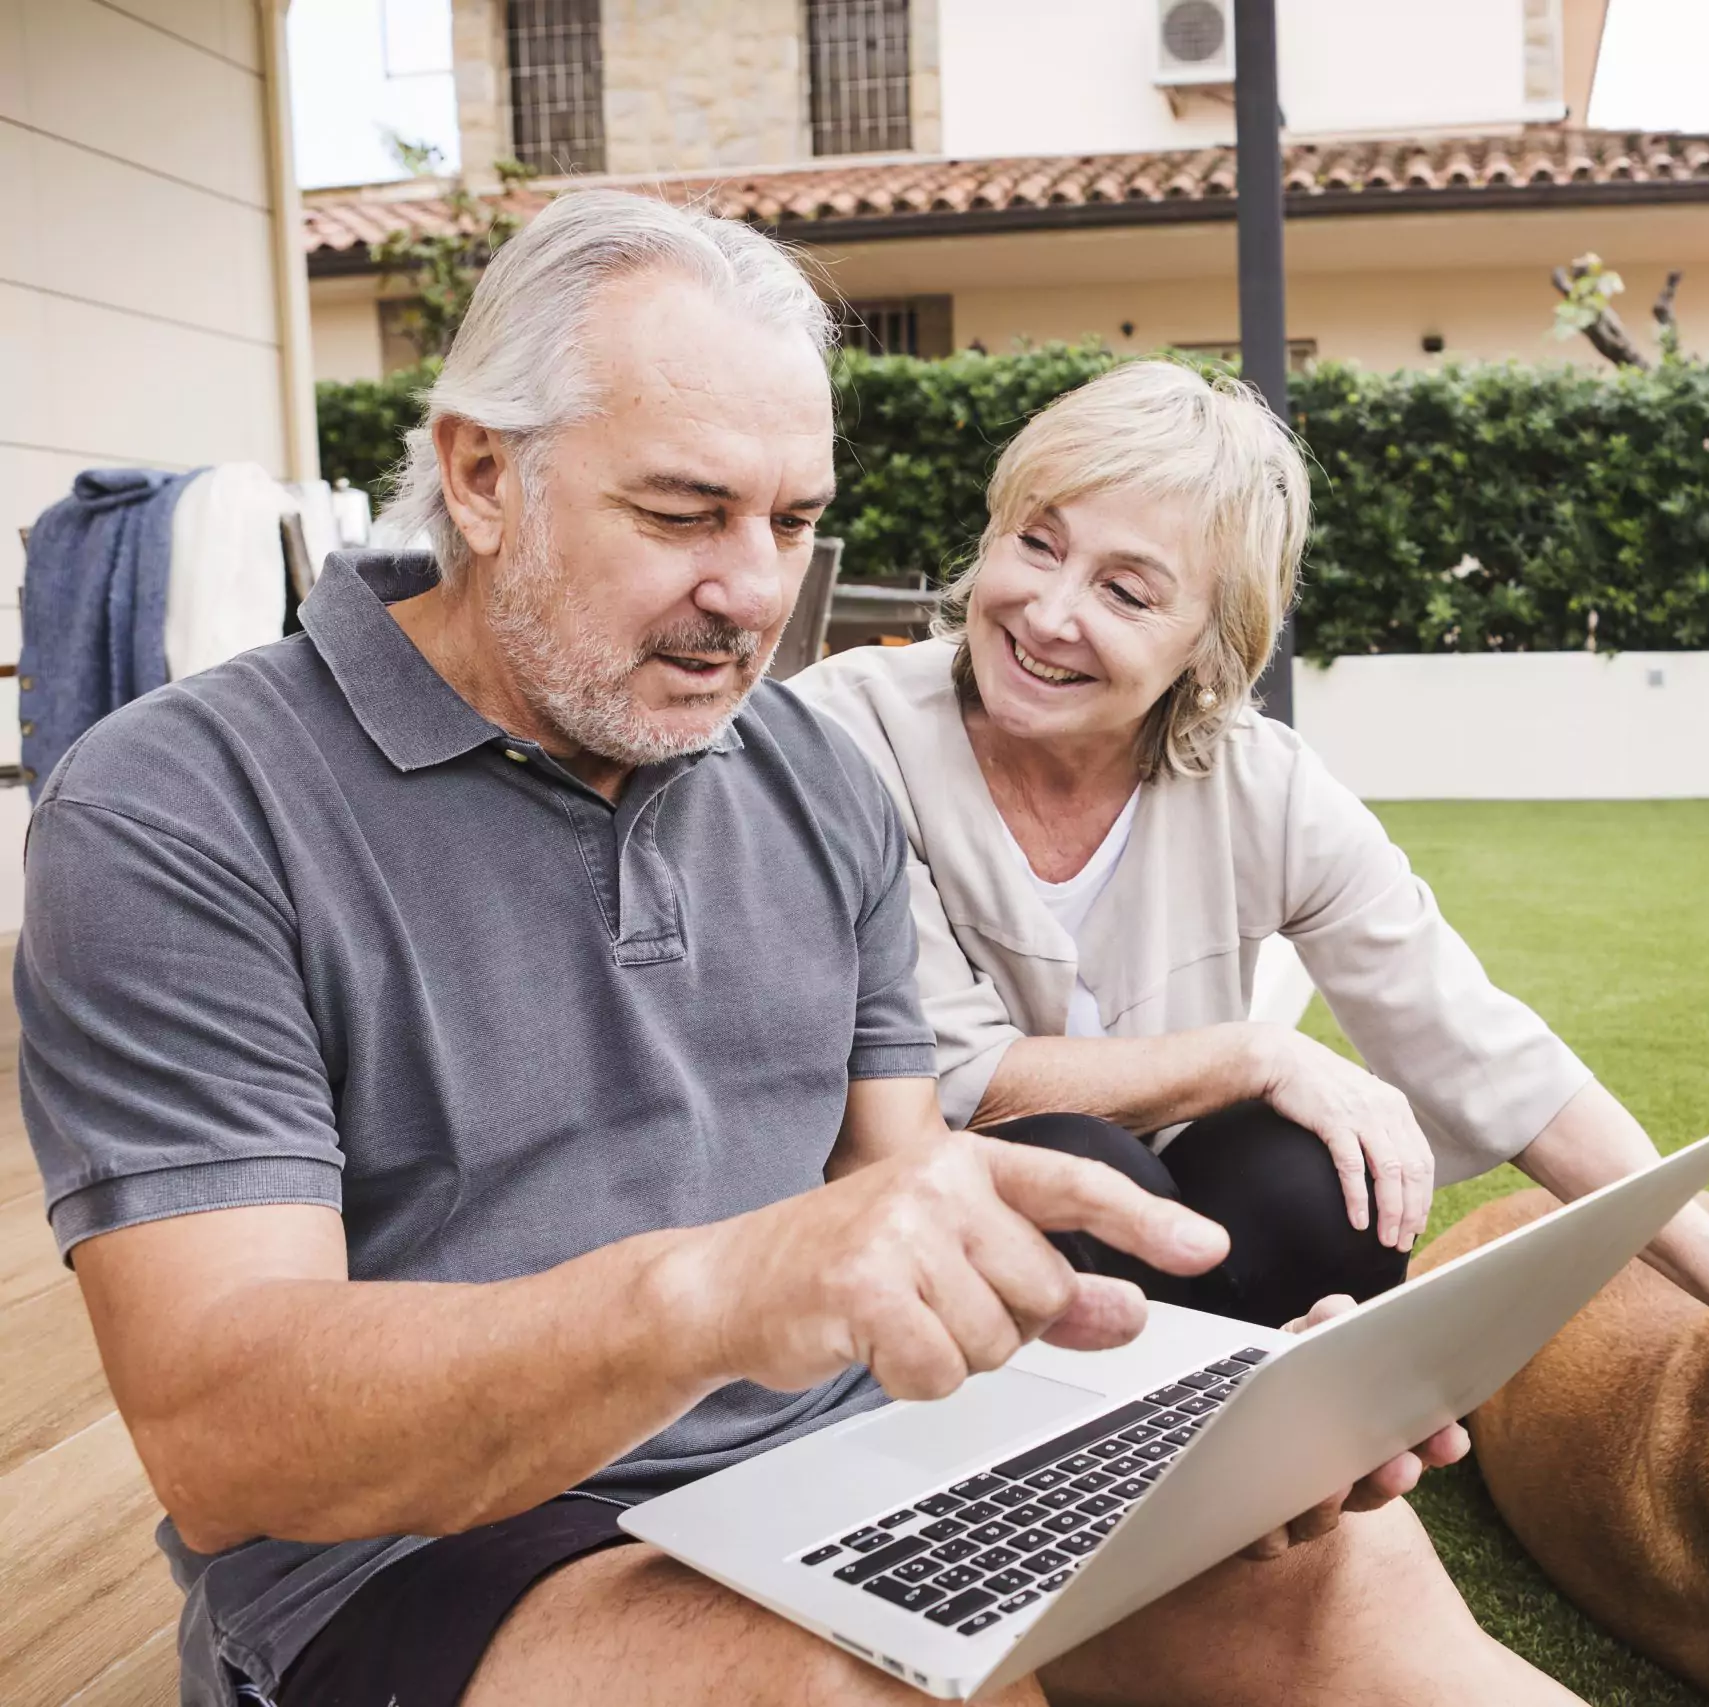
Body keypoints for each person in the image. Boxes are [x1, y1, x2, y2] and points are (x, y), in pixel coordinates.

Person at [17, 192, 1575, 1707]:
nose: (755, 592)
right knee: (837, 1682)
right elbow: (224, 1437)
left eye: (793, 520)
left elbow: (901, 1189)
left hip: (844, 1461)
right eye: (685, 513)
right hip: (428, 1554)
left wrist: (1204, 1407)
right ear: (481, 476)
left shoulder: (811, 772)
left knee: (1334, 1577)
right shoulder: (182, 804)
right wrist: (714, 1290)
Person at [791, 360, 1709, 1350]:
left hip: (1153, 1239)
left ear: (1212, 648)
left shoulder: (1257, 782)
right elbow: (953, 1082)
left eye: (1126, 591)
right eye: (1037, 545)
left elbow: (1486, 1054)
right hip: (928, 1227)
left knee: (1330, 1166)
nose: (1050, 613)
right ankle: (1128, 1440)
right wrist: (1255, 1053)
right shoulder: (853, 730)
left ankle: (1248, 1421)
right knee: (1070, 1161)